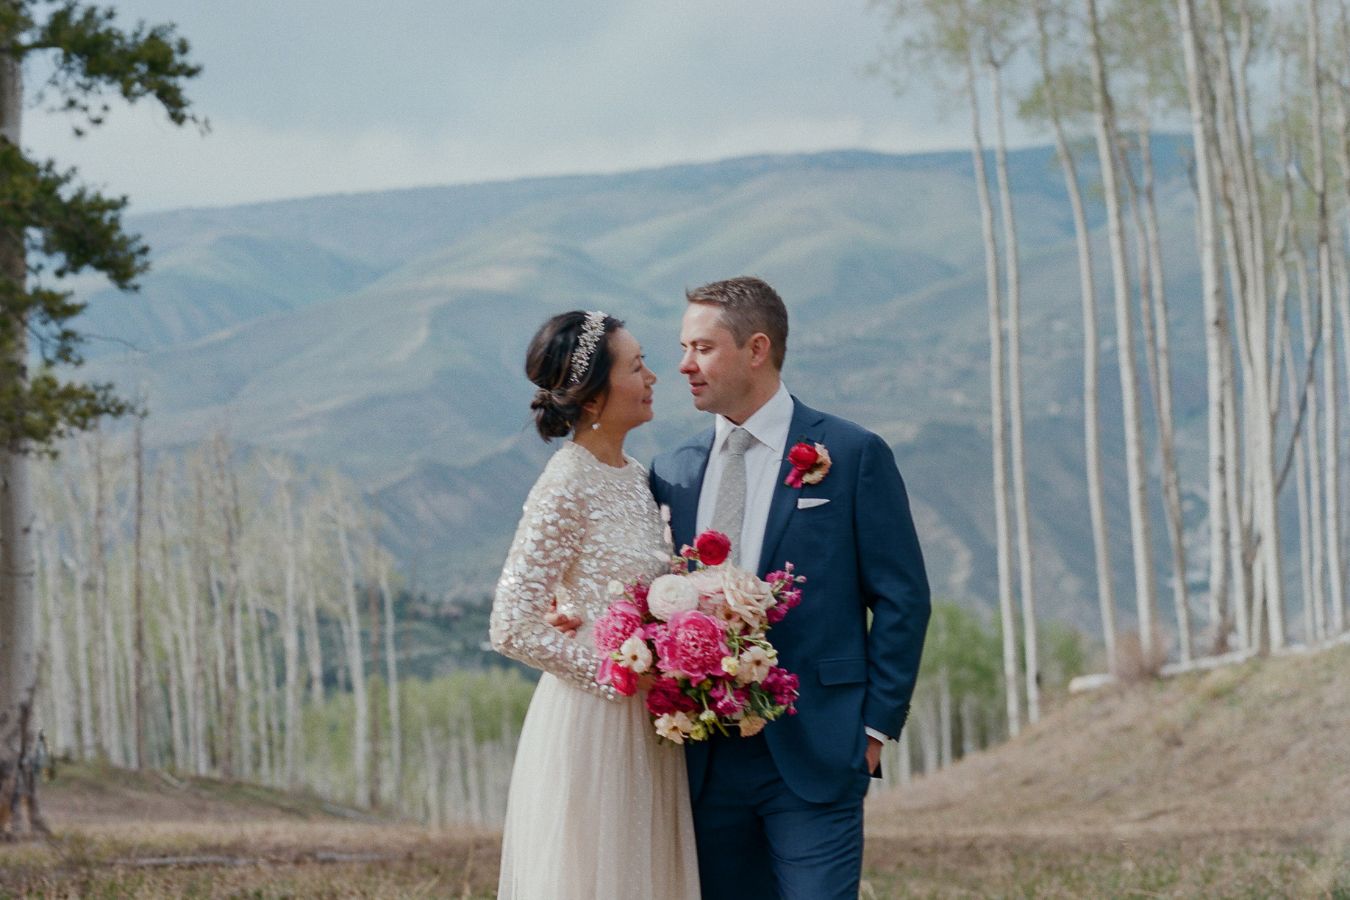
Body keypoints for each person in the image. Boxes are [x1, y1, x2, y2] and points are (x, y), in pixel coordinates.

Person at [649, 277, 931, 899]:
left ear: (756, 348)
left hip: (820, 746)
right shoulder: (672, 472)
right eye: (683, 347)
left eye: (701, 348)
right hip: (702, 760)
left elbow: (902, 597)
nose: (683, 365)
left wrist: (874, 730)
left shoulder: (853, 454)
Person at [488, 310, 700, 900]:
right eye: (637, 366)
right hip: (594, 721)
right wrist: (614, 673)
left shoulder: (635, 477)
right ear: (592, 395)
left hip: (651, 722)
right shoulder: (566, 483)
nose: (654, 376)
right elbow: (511, 625)